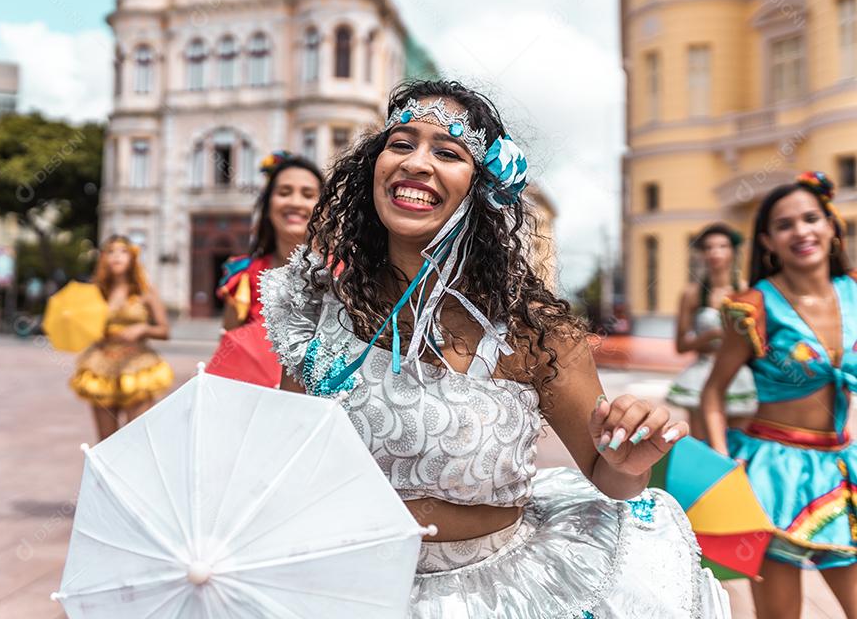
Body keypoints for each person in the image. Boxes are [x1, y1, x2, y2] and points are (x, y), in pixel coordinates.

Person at [261, 80, 729, 616]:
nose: (417, 162)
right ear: (373, 167)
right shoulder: (315, 310)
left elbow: (611, 478)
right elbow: (288, 465)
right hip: (350, 590)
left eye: (447, 152)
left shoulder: (535, 331)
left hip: (498, 594)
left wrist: (629, 460)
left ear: (479, 187)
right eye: (401, 143)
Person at [703, 171, 857, 618]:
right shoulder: (754, 307)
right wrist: (724, 468)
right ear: (767, 241)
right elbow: (714, 394)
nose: (801, 231)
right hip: (773, 474)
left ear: (831, 226)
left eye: (811, 218)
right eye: (785, 225)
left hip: (842, 468)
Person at [210, 152, 322, 387]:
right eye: (284, 192)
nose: (295, 202)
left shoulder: (346, 275)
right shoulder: (243, 276)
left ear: (324, 208)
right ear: (268, 205)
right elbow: (231, 355)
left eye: (308, 194)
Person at [69, 236, 172, 441]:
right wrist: (91, 331)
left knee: (137, 439)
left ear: (132, 257)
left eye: (123, 251)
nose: (116, 256)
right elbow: (85, 328)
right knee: (106, 443)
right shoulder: (97, 293)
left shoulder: (145, 292)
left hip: (136, 365)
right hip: (101, 366)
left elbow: (164, 331)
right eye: (111, 251)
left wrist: (142, 329)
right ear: (104, 258)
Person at [668, 223, 757, 438]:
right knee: (702, 446)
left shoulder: (747, 291)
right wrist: (711, 336)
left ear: (733, 252)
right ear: (702, 254)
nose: (715, 252)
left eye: (722, 246)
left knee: (740, 444)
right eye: (708, 247)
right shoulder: (691, 294)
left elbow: (759, 341)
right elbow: (681, 346)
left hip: (739, 375)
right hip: (702, 374)